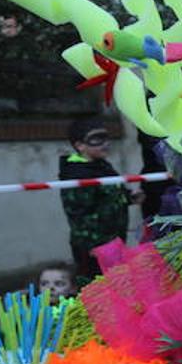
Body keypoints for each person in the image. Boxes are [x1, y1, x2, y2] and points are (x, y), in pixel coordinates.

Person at [59, 118, 137, 280]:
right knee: (96, 286)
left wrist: (128, 197)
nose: (105, 144)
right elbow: (79, 214)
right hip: (94, 246)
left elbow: (109, 195)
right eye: (96, 139)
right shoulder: (76, 174)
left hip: (114, 239)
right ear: (80, 145)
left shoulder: (102, 165)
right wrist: (93, 245)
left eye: (106, 138)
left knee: (118, 283)